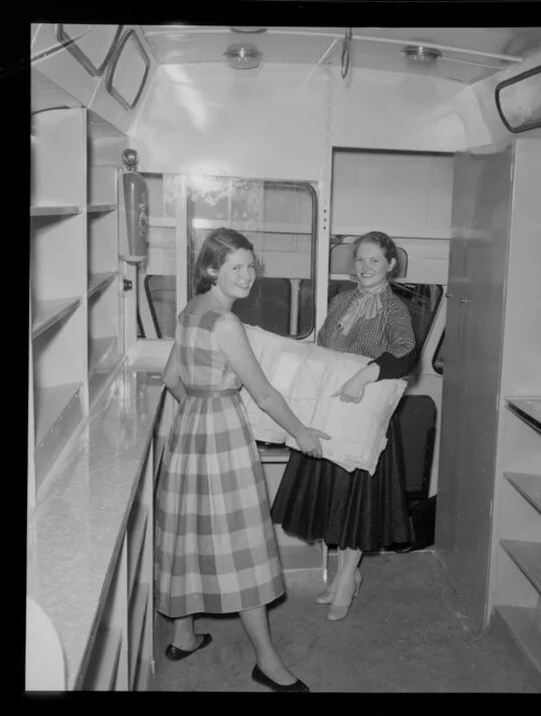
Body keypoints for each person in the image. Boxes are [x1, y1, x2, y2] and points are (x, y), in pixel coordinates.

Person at [155, 227, 329, 693]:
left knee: (190, 533)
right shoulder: (226, 324)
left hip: (190, 427)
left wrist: (201, 403)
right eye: (237, 267)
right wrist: (302, 433)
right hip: (222, 436)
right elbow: (266, 395)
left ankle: (184, 634)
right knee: (244, 544)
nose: (248, 275)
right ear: (212, 270)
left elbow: (173, 376)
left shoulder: (191, 310)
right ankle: (267, 663)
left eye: (252, 266)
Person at [271, 231, 416, 621]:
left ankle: (346, 579)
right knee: (336, 498)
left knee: (358, 502)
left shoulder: (395, 309)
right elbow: (321, 349)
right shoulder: (339, 301)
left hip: (368, 418)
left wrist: (366, 373)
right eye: (360, 260)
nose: (365, 267)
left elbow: (404, 354)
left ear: (390, 265)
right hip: (332, 412)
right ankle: (343, 576)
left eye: (374, 260)